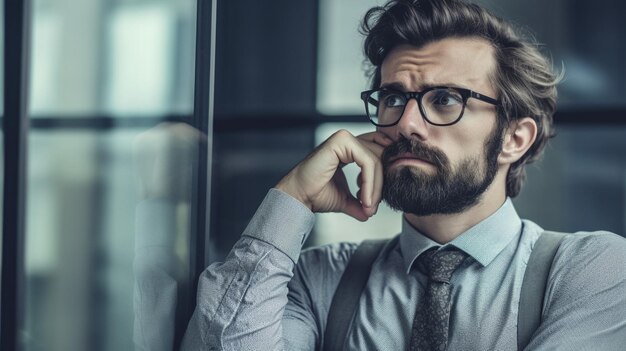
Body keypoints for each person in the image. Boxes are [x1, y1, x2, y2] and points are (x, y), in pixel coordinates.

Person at [181, 0, 626, 350]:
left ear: (515, 138)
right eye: (393, 98)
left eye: (446, 100)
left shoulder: (590, 271)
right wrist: (291, 197)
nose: (406, 123)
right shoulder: (320, 277)